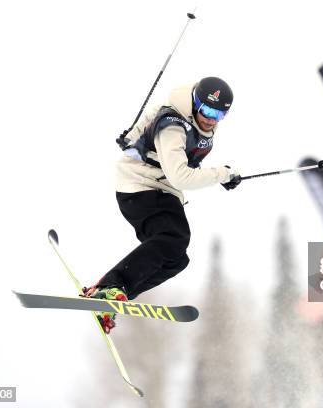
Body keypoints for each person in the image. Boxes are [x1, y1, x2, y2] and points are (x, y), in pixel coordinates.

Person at [84, 77, 241, 333]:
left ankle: (112, 296)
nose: (211, 119)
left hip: (157, 189)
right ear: (195, 103)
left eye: (219, 114)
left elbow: (178, 160)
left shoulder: (192, 121)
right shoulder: (174, 126)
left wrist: (222, 177)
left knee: (176, 259)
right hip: (140, 188)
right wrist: (221, 174)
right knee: (174, 238)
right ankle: (110, 286)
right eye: (208, 111)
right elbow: (180, 176)